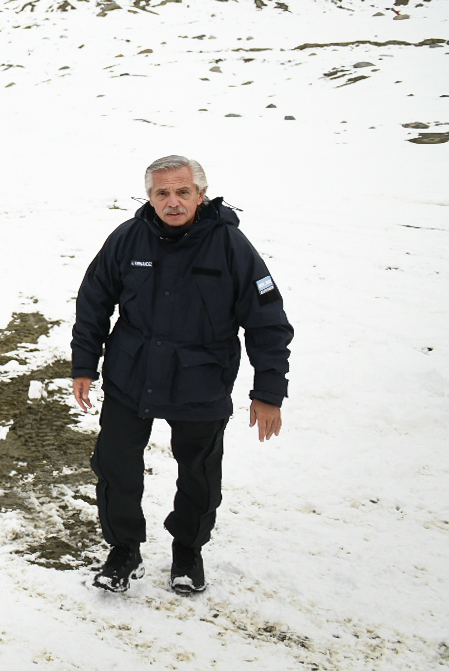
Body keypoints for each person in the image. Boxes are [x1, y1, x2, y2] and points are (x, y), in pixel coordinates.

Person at [71, 155, 292, 594]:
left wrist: (268, 391)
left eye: (182, 192)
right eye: (162, 193)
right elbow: (93, 299)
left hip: (201, 381)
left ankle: (188, 552)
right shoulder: (128, 239)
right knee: (116, 466)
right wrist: (84, 364)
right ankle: (123, 550)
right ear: (150, 197)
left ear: (200, 194)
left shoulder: (231, 246)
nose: (173, 202)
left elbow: (268, 321)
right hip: (130, 376)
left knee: (199, 472)